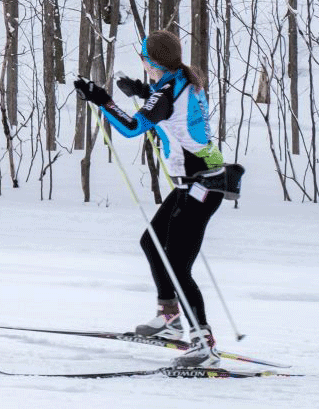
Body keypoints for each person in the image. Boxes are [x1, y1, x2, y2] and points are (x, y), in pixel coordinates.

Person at [74, 30, 225, 368]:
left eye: (143, 57)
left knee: (177, 265)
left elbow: (131, 127)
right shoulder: (182, 80)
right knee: (151, 241)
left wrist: (101, 99)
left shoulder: (168, 91)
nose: (141, 61)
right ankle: (169, 320)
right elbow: (169, 112)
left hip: (202, 187)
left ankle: (203, 343)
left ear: (152, 61)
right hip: (195, 184)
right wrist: (143, 91)